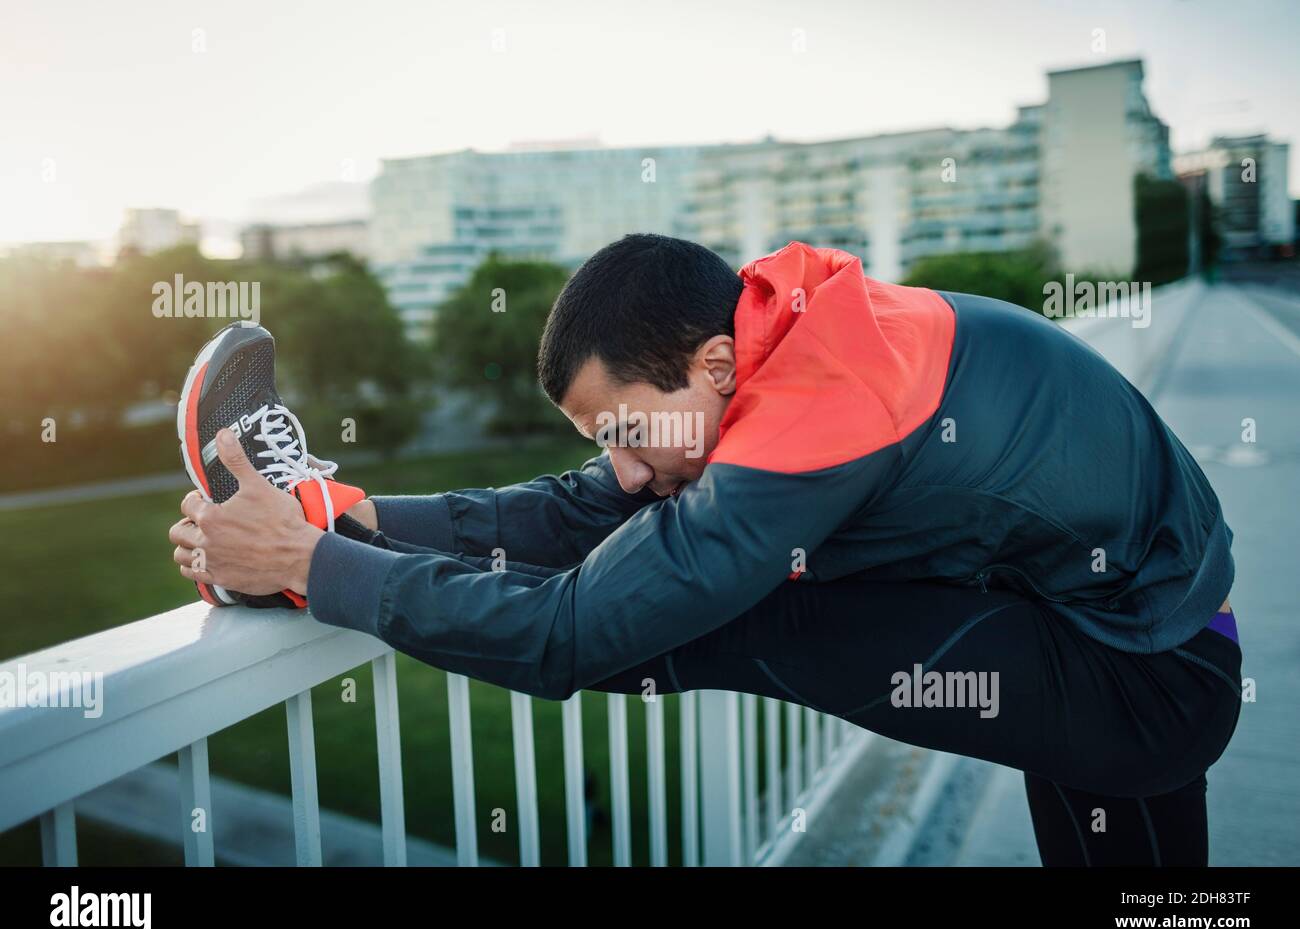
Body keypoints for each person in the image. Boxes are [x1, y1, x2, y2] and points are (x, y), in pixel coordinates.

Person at [169, 234, 1242, 866]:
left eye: (625, 430)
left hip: (1149, 676)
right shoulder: (778, 339)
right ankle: (310, 501)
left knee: (727, 603)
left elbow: (573, 633)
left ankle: (284, 553)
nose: (622, 465)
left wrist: (315, 570)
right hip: (1104, 627)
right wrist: (346, 516)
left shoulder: (816, 414)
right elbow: (580, 507)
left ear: (714, 363)